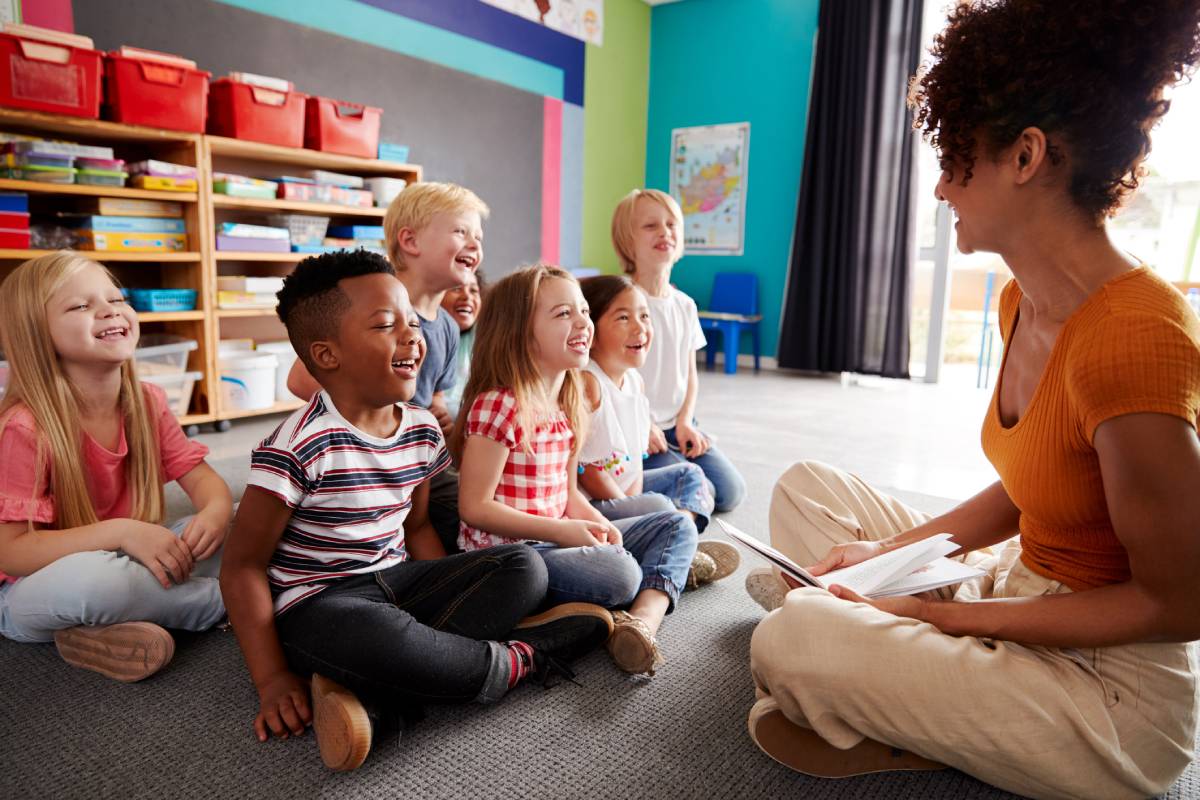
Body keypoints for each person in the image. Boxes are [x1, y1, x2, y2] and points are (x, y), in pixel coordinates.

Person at [746, 3, 1200, 798]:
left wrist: (953, 619)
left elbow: (1179, 603)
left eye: (958, 157)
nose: (940, 184)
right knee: (804, 491)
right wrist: (889, 562)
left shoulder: (1138, 338)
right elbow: (1029, 488)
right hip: (1020, 583)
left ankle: (885, 669)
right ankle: (892, 649)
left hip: (1109, 692)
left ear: (1026, 156)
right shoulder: (1019, 302)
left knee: (795, 640)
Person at [219, 251, 612, 772]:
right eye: (386, 325)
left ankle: (383, 697)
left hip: (396, 582)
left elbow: (419, 526)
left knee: (522, 566)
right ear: (327, 354)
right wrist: (269, 679)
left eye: (412, 321)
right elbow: (242, 566)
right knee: (373, 636)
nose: (412, 336)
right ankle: (523, 658)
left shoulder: (423, 430)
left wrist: (448, 585)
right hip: (322, 604)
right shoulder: (294, 448)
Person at [453, 264, 699, 676]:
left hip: (557, 535)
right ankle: (654, 578)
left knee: (678, 526)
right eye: (563, 313)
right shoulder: (499, 405)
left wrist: (600, 524)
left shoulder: (568, 398)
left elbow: (568, 494)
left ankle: (642, 620)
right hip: (514, 557)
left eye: (583, 311)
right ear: (520, 331)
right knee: (619, 573)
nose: (583, 322)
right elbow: (474, 508)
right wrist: (565, 532)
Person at [0, 252, 231, 682]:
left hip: (129, 554)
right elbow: (11, 553)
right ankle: (237, 600)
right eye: (80, 305)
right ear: (37, 334)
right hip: (25, 590)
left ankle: (103, 631)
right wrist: (123, 530)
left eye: (116, 298)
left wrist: (216, 513)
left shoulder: (146, 401)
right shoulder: (23, 428)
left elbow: (205, 484)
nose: (110, 309)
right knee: (96, 584)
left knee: (244, 521)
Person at [287, 182, 487, 553]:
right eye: (461, 231)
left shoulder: (444, 326)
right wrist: (375, 419)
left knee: (480, 502)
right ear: (410, 241)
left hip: (413, 458)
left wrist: (438, 413)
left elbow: (435, 395)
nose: (475, 245)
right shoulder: (370, 306)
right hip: (358, 454)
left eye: (478, 235)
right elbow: (300, 379)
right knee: (459, 516)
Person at [577, 274, 739, 588]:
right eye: (623, 318)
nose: (640, 328)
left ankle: (676, 542)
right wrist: (631, 507)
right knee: (664, 509)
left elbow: (636, 460)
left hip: (626, 489)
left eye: (644, 316)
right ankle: (673, 550)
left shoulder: (634, 380)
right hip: (596, 501)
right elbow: (589, 473)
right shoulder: (588, 383)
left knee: (691, 476)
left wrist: (636, 502)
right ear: (592, 333)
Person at [612, 189, 746, 512]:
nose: (665, 232)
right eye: (651, 226)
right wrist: (643, 425)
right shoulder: (620, 300)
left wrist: (686, 420)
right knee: (701, 488)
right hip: (638, 429)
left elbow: (690, 375)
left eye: (672, 225)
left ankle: (674, 499)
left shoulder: (685, 305)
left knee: (731, 491)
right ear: (627, 240)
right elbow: (612, 378)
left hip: (677, 424)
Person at [441, 268, 485, 419]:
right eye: (456, 288)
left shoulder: (485, 340)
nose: (467, 296)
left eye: (474, 290)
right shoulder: (423, 338)